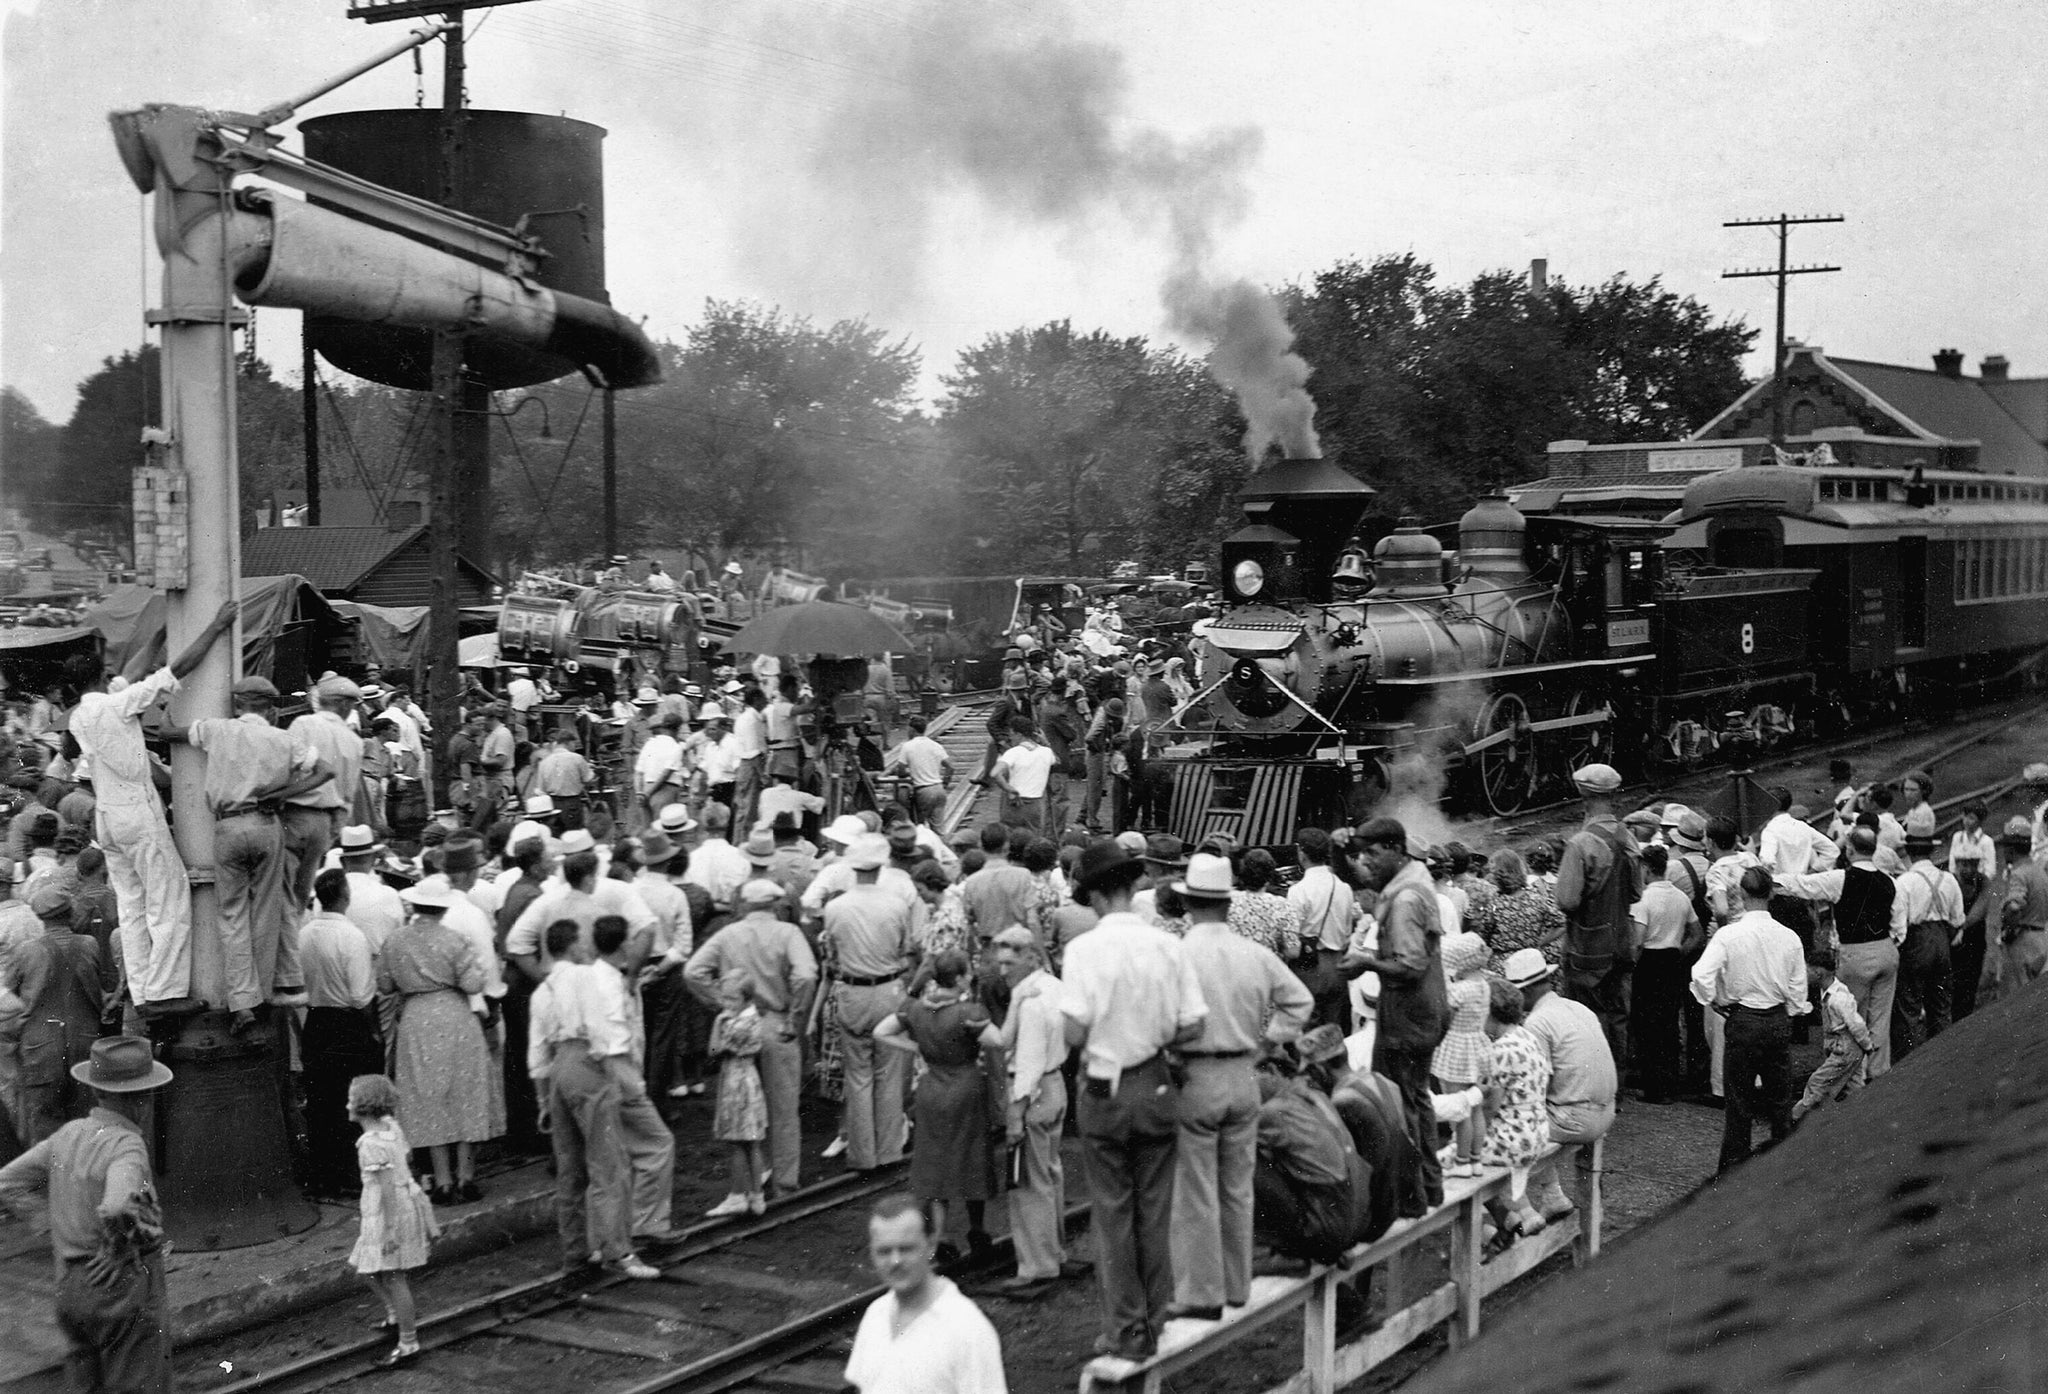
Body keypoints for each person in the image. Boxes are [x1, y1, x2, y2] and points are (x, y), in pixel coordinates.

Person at [1058, 838, 1208, 1362]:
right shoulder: (1168, 945)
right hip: (1157, 1081)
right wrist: (1158, 1033)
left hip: (1104, 1088)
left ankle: (1125, 1331)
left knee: (1113, 1214)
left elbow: (1075, 1033)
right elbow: (1194, 1022)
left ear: (1097, 896)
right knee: (1156, 1210)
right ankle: (1157, 1317)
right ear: (1132, 885)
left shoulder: (1082, 951)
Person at [63, 600, 235, 1014]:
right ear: (101, 677)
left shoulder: (81, 715)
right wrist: (215, 625)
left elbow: (135, 673)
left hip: (107, 817)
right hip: (135, 813)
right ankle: (164, 993)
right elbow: (179, 670)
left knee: (133, 906)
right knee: (169, 898)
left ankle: (142, 992)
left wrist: (158, 637)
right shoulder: (118, 705)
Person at [1167, 853, 1312, 1319]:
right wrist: (1269, 1045)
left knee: (1196, 1187)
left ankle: (1200, 1292)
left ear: (1189, 903)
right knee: (1237, 1184)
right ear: (1228, 904)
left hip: (1195, 1074)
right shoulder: (1255, 954)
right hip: (1244, 1073)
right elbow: (1299, 1000)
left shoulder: (1177, 955)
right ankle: (1236, 1283)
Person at [0, 1036, 174, 1392]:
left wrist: (51, 1224)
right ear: (142, 1099)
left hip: (70, 1286)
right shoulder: (126, 1144)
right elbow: (116, 1206)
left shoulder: (68, 1134)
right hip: (119, 1286)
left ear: (97, 1091)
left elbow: (6, 1182)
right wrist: (119, 1247)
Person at [172, 675, 331, 1032]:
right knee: (265, 913)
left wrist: (169, 710)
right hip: (266, 824)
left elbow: (171, 732)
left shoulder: (218, 729)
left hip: (227, 826)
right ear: (270, 709)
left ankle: (241, 1002)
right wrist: (286, 792)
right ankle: (261, 994)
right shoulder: (283, 738)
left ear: (237, 704)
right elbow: (326, 770)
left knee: (231, 916)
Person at [527, 920, 658, 1279]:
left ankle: (577, 1253)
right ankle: (618, 1250)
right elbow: (599, 1027)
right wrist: (606, 1063)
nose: (587, 948)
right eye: (582, 942)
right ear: (571, 946)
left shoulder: (543, 990)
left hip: (558, 1070)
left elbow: (536, 1053)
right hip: (588, 1063)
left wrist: (543, 1100)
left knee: (570, 1169)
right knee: (608, 1163)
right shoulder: (584, 977)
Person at [685, 879, 819, 1196]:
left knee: (742, 1108)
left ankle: (748, 1184)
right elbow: (806, 975)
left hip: (739, 1024)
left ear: (743, 904)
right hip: (776, 1024)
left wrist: (721, 1003)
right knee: (783, 1107)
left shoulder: (728, 934)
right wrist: (795, 1015)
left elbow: (693, 971)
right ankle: (784, 1180)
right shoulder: (789, 933)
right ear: (775, 904)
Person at [1344, 818, 1449, 1215]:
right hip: (1426, 1010)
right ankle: (1429, 1186)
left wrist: (1365, 961)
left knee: (1400, 1103)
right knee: (1416, 1098)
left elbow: (1409, 965)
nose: (1366, 863)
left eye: (1372, 854)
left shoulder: (1405, 900)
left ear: (1394, 850)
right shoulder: (1413, 879)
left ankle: (1413, 1197)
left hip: (1409, 1013)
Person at [877, 950, 1003, 1260]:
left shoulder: (915, 1008)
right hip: (966, 1086)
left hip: (931, 1087)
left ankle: (941, 1236)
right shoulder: (969, 1013)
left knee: (935, 1161)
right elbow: (997, 1041)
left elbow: (880, 1032)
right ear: (959, 978)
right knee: (972, 1157)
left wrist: (915, 1047)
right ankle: (977, 1230)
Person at [377, 883, 494, 1203]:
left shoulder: (395, 940)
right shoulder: (456, 940)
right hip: (455, 1016)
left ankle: (442, 1180)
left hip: (416, 1018)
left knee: (427, 1098)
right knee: (466, 1093)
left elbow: (384, 985)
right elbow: (472, 983)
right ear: (443, 908)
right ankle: (465, 1177)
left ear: (415, 906)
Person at [1689, 868, 1809, 1173]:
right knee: (1780, 1100)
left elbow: (1701, 974)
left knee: (1739, 1103)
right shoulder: (1789, 937)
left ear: (1740, 895)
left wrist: (1715, 999)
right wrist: (1790, 1012)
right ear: (1770, 894)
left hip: (1743, 1019)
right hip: (1777, 1018)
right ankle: (1786, 1166)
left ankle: (1733, 1170)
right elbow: (1798, 990)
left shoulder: (1729, 935)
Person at [979, 925, 1068, 1296]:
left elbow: (1027, 1063)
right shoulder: (1051, 986)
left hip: (1031, 1094)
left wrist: (1014, 1113)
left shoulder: (1030, 1004)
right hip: (1056, 1086)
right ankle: (1056, 1251)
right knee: (1050, 1173)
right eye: (999, 963)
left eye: (1010, 963)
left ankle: (1036, 1266)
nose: (1003, 970)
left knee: (1028, 1184)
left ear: (1030, 956)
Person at [845, 1193, 1008, 1394]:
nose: (895, 1261)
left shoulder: (967, 1328)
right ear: (872, 1253)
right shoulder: (875, 1315)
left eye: (906, 1249)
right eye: (884, 1251)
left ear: (931, 1245)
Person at [1775, 826, 1904, 1078]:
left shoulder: (1840, 879)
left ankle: (1853, 1074)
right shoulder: (1890, 882)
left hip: (1854, 954)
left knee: (1849, 1017)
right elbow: (1899, 926)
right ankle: (1878, 1072)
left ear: (1850, 849)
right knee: (1880, 1018)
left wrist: (1774, 882)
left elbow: (1805, 885)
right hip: (1886, 952)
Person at [825, 835, 920, 1174]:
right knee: (890, 1073)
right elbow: (904, 949)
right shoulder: (896, 904)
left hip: (852, 991)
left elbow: (832, 956)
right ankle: (889, 1149)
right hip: (888, 989)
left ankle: (862, 1154)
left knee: (858, 1074)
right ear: (881, 866)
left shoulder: (835, 907)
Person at [1502, 948, 1616, 1222]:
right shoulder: (1578, 1008)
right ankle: (1553, 1196)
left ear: (1524, 992)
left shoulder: (1536, 1022)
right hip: (1606, 1111)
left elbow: (1534, 1085)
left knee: (1503, 1130)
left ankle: (1523, 1218)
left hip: (1575, 1119)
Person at [346, 1073, 441, 1369]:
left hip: (389, 1214)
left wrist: (389, 1231)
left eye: (350, 1099)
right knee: (365, 1267)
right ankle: (393, 1314)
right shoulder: (392, 1128)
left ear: (363, 1106)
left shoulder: (370, 1143)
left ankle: (408, 1341)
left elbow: (386, 1188)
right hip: (398, 1205)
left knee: (394, 1276)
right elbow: (407, 1158)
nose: (346, 1104)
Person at [1552, 764, 1641, 1071]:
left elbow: (1566, 900)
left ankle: (1593, 1080)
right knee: (1617, 1015)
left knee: (1586, 1015)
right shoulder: (1626, 836)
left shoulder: (1580, 844)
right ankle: (1615, 1086)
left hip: (1587, 946)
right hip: (1621, 941)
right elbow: (1636, 894)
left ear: (1583, 796)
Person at [300, 869, 382, 1199]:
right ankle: (351, 1174)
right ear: (345, 897)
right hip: (346, 1024)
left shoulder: (304, 934)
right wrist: (373, 1030)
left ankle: (323, 1175)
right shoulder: (352, 937)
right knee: (351, 1103)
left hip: (316, 1022)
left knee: (321, 1103)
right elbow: (362, 996)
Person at [10, 884, 111, 1144]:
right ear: (70, 913)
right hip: (85, 1046)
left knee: (43, 1131)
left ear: (40, 917)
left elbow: (8, 999)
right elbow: (101, 991)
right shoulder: (89, 945)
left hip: (40, 1051)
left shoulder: (26, 951)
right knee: (87, 1127)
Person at [283, 674, 366, 936]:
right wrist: (329, 832)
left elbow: (284, 768)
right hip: (324, 822)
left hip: (293, 816)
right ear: (344, 704)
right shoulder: (354, 741)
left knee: (281, 896)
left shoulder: (303, 724)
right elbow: (348, 795)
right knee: (299, 898)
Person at [1475, 978, 1551, 1237]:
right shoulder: (1527, 1036)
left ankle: (1488, 1231)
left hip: (1514, 1141)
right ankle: (1518, 1216)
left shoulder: (1500, 1051)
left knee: (1456, 1158)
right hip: (1537, 1132)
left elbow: (1489, 1108)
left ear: (1490, 1014)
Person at [1629, 845, 1704, 1105]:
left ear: (1647, 869)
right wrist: (1678, 952)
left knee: (1647, 1024)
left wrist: (1632, 966)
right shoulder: (1681, 897)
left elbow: (1638, 942)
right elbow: (1697, 934)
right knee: (1670, 1022)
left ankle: (1654, 1087)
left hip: (1649, 963)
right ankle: (1670, 1083)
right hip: (1672, 961)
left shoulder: (1643, 900)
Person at [1893, 831, 1963, 1060]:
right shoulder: (1949, 879)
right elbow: (1958, 919)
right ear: (1931, 852)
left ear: (1910, 854)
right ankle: (1943, 1058)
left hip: (1916, 942)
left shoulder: (1904, 882)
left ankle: (1910, 1060)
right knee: (1941, 1005)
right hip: (1942, 941)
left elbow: (1899, 924)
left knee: (1909, 1005)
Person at [705, 972, 770, 1217]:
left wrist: (718, 1022)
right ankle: (756, 1197)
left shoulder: (735, 1024)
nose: (726, 1004)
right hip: (749, 1080)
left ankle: (737, 1196)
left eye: (732, 999)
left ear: (746, 998)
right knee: (752, 1142)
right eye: (725, 998)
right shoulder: (754, 1017)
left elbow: (713, 1050)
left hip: (736, 1084)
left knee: (738, 1143)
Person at [1431, 932, 1493, 1175]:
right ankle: (1475, 1158)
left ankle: (1462, 1160)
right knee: (1475, 1106)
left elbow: (1444, 1019)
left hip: (1456, 1047)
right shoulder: (1484, 985)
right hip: (1477, 1045)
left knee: (1460, 1106)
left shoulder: (1459, 990)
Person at [1791, 947, 1875, 1122]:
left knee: (1817, 1082)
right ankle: (1861, 1119)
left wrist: (1867, 1045)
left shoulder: (1838, 998)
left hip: (1845, 1049)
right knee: (1854, 1086)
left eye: (1807, 971)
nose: (1805, 975)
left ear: (1819, 973)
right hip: (1846, 1048)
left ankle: (1797, 1119)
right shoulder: (1828, 993)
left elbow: (1856, 1023)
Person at [1289, 827, 1358, 1032]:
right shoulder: (1344, 888)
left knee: (1307, 1031)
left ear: (1301, 853)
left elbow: (1293, 937)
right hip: (1338, 964)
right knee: (1332, 1030)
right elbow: (1347, 931)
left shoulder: (1298, 891)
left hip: (1309, 965)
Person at [1997, 815, 2048, 993]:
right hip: (2041, 940)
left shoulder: (2019, 874)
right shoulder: (2039, 872)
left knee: (2016, 1001)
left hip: (2023, 943)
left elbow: (2014, 907)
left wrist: (2009, 931)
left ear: (2011, 849)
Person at [991, 716, 1055, 835]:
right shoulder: (1046, 752)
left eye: (1012, 734)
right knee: (1033, 840)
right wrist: (1046, 742)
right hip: (1036, 804)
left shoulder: (1013, 752)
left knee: (1011, 839)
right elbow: (1057, 761)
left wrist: (1008, 788)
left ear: (1019, 734)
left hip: (1015, 803)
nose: (1010, 738)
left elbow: (995, 773)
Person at [886, 716, 953, 828]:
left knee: (919, 827)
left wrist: (910, 773)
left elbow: (901, 770)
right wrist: (945, 783)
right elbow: (950, 767)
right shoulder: (936, 745)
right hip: (939, 789)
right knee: (939, 829)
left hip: (924, 791)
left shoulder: (907, 746)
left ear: (912, 730)